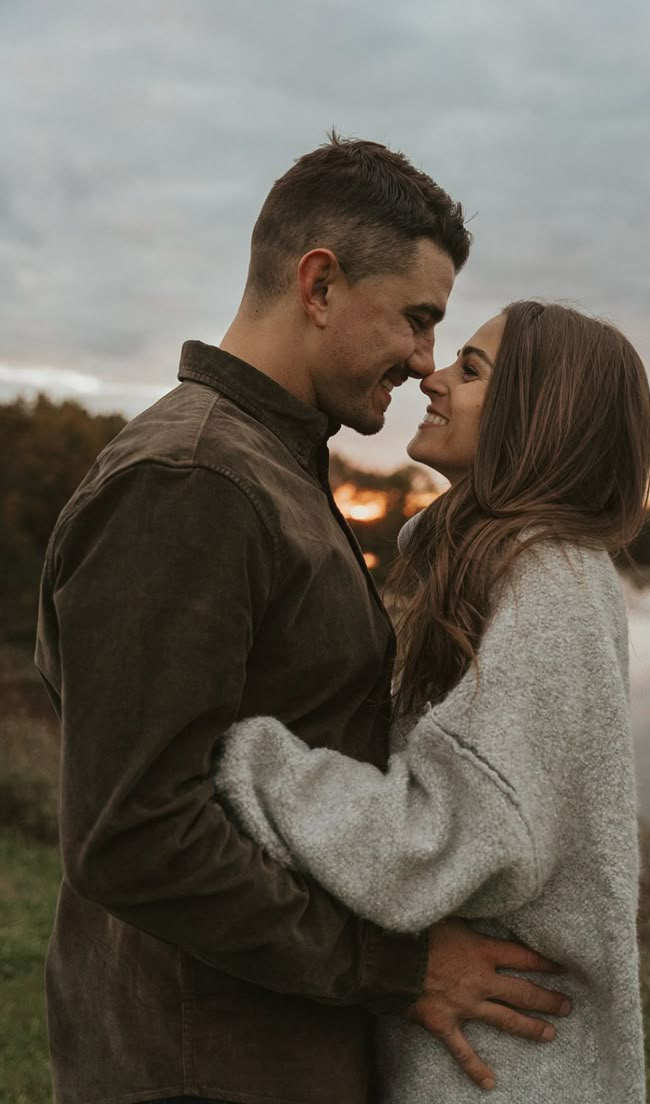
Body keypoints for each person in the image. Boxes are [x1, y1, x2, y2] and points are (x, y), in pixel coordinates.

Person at [35, 139, 570, 1104]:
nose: (423, 362)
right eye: (416, 320)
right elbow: (135, 835)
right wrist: (399, 969)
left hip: (272, 1047)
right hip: (203, 1063)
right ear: (318, 284)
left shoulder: (270, 468)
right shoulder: (192, 482)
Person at [215, 300, 650, 1103]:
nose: (433, 377)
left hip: (510, 1073)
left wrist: (248, 757)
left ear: (537, 414)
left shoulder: (549, 582)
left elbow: (440, 842)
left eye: (472, 370)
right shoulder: (504, 569)